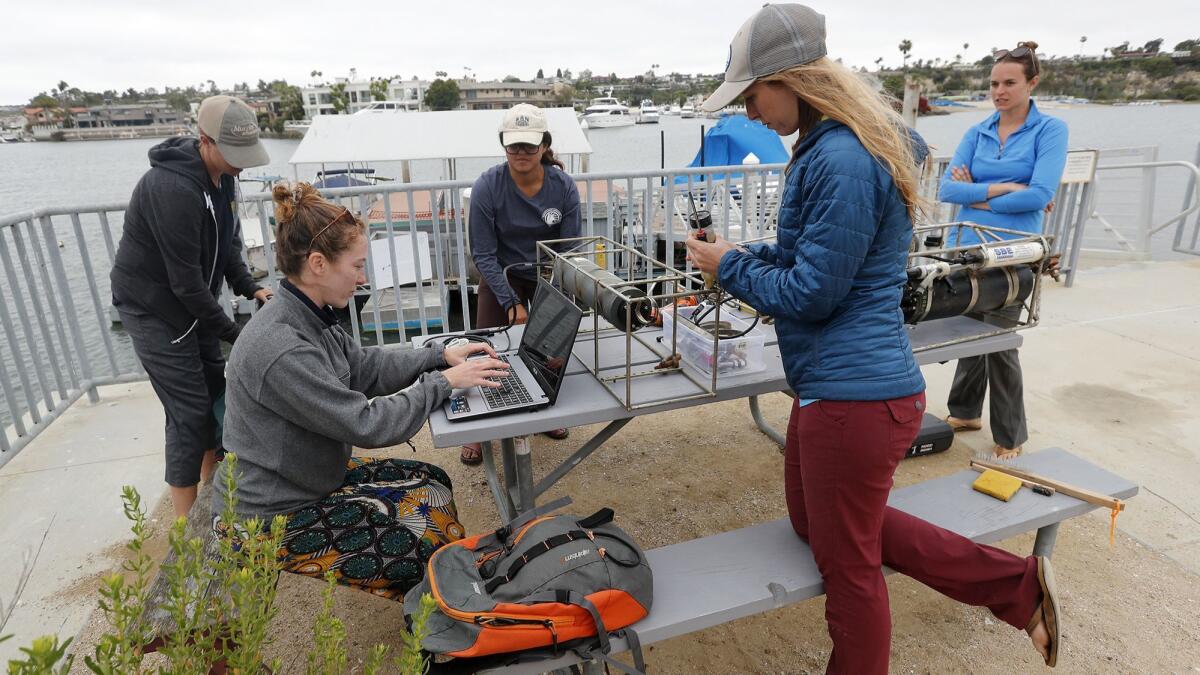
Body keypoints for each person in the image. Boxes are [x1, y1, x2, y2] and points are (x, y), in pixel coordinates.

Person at [685, 5, 1061, 672]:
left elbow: (812, 294)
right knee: (819, 524)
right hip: (841, 387)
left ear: (791, 79)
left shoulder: (843, 157)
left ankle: (1010, 589)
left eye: (752, 94)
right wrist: (747, 252)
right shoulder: (838, 142)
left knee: (849, 567)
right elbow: (817, 254)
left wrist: (731, 267)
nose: (747, 113)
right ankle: (1015, 583)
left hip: (853, 397)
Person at [213, 181, 509, 600]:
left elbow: (364, 367)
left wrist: (439, 357)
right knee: (410, 555)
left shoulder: (308, 314)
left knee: (432, 479)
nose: (363, 276)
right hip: (272, 513)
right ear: (318, 264)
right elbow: (366, 424)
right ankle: (443, 610)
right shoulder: (282, 347)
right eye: (356, 266)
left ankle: (446, 601)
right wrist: (443, 384)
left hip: (307, 481)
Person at [111, 95, 274, 518]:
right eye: (235, 152)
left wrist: (250, 287)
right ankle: (186, 534)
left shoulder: (223, 178)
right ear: (205, 140)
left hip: (193, 303)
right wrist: (234, 332)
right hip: (154, 310)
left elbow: (228, 246)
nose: (243, 162)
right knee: (186, 412)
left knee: (215, 390)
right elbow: (183, 281)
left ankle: (209, 493)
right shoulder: (172, 188)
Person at [939, 41, 1069, 460]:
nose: (1000, 91)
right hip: (967, 245)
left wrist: (978, 198)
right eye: (994, 83)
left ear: (1032, 83)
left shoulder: (1051, 131)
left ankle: (1011, 435)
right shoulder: (975, 132)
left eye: (1010, 82)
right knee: (968, 327)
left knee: (998, 336)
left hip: (1014, 251)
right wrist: (1008, 188)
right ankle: (964, 410)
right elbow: (947, 189)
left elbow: (1042, 194)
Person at [462, 103, 581, 465]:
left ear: (544, 145)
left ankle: (543, 412)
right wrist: (511, 301)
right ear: (503, 145)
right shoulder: (487, 186)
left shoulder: (563, 188)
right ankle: (477, 431)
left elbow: (569, 251)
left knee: (549, 352)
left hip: (547, 274)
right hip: (501, 273)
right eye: (513, 145)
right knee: (483, 348)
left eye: (529, 145)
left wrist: (553, 302)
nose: (521, 153)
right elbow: (482, 253)